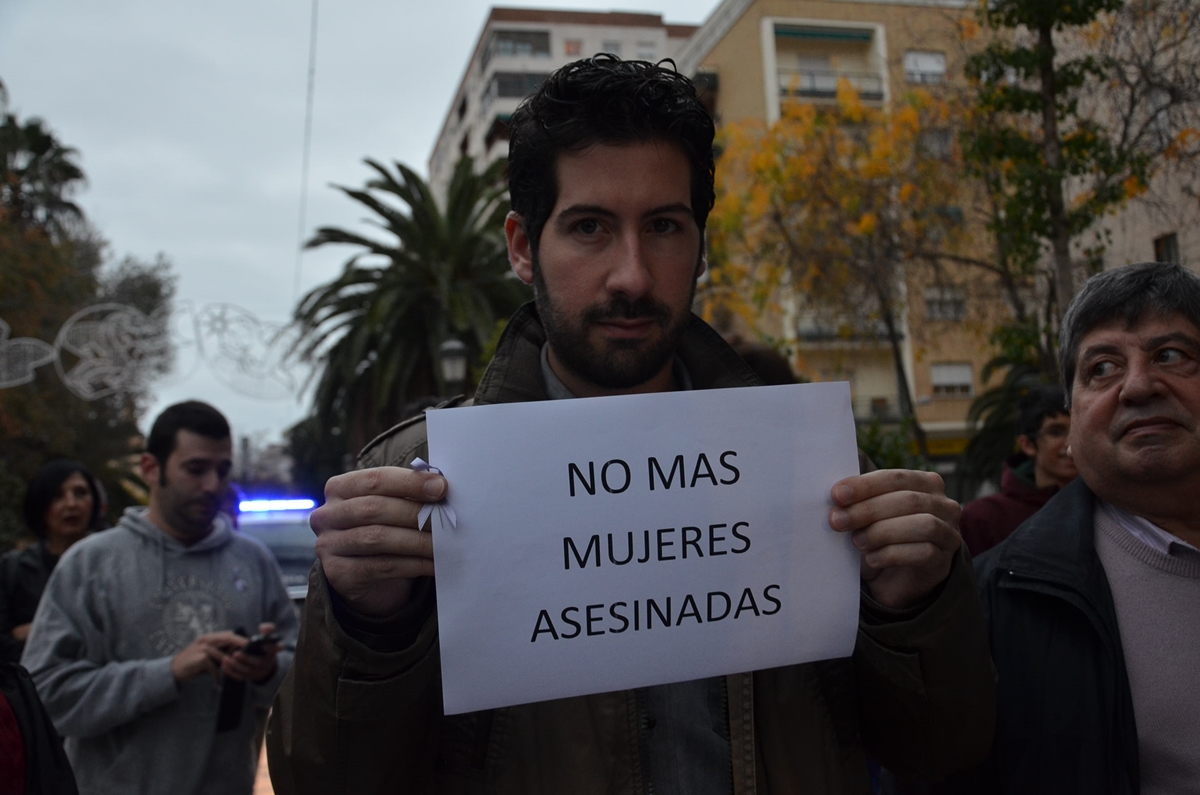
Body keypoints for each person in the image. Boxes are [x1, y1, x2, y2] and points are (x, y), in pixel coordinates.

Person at [267, 56, 994, 795]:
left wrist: (914, 608)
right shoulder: (416, 487)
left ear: (701, 245)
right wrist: (372, 629)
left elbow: (947, 749)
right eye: (589, 227)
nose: (633, 276)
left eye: (666, 227)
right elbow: (319, 780)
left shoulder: (822, 473)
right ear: (523, 246)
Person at [966, 262, 1200, 793]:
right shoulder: (991, 607)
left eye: (1170, 355)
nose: (1138, 386)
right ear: (1071, 428)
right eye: (1102, 368)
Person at [21, 401, 299, 795]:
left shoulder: (253, 561)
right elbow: (44, 697)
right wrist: (168, 673)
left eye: (222, 470)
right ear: (151, 468)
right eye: (196, 469)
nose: (213, 486)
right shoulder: (90, 564)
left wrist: (266, 671)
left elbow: (305, 679)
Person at [0, 460, 102, 664]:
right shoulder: (13, 569)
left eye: (80, 493)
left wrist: (38, 630)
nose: (71, 504)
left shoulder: (115, 563)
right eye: (57, 496)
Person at [958, 386, 1076, 555]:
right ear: (1027, 444)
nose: (1070, 442)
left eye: (1077, 429)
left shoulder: (1108, 506)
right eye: (1056, 432)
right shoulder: (982, 518)